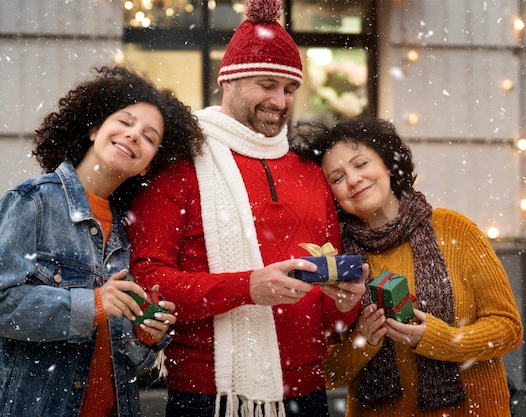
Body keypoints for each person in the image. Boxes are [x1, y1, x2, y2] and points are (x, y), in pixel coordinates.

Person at [127, 1, 366, 416]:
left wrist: (345, 303)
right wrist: (248, 288)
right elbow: (149, 283)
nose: (281, 100)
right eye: (267, 84)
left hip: (306, 394)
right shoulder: (180, 162)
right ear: (229, 81)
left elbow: (326, 314)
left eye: (290, 89)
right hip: (208, 395)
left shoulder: (310, 172)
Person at [0, 65, 204, 417]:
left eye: (149, 137)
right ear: (94, 129)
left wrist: (145, 335)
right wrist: (94, 304)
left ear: (149, 165)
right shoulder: (32, 202)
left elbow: (120, 357)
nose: (134, 136)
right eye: (126, 122)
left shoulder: (126, 231)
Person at [295, 117, 523, 416]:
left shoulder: (455, 230)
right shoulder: (335, 262)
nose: (352, 180)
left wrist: (438, 339)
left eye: (361, 164)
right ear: (330, 195)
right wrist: (363, 341)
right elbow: (323, 375)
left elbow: (508, 329)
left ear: (389, 164)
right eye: (337, 178)